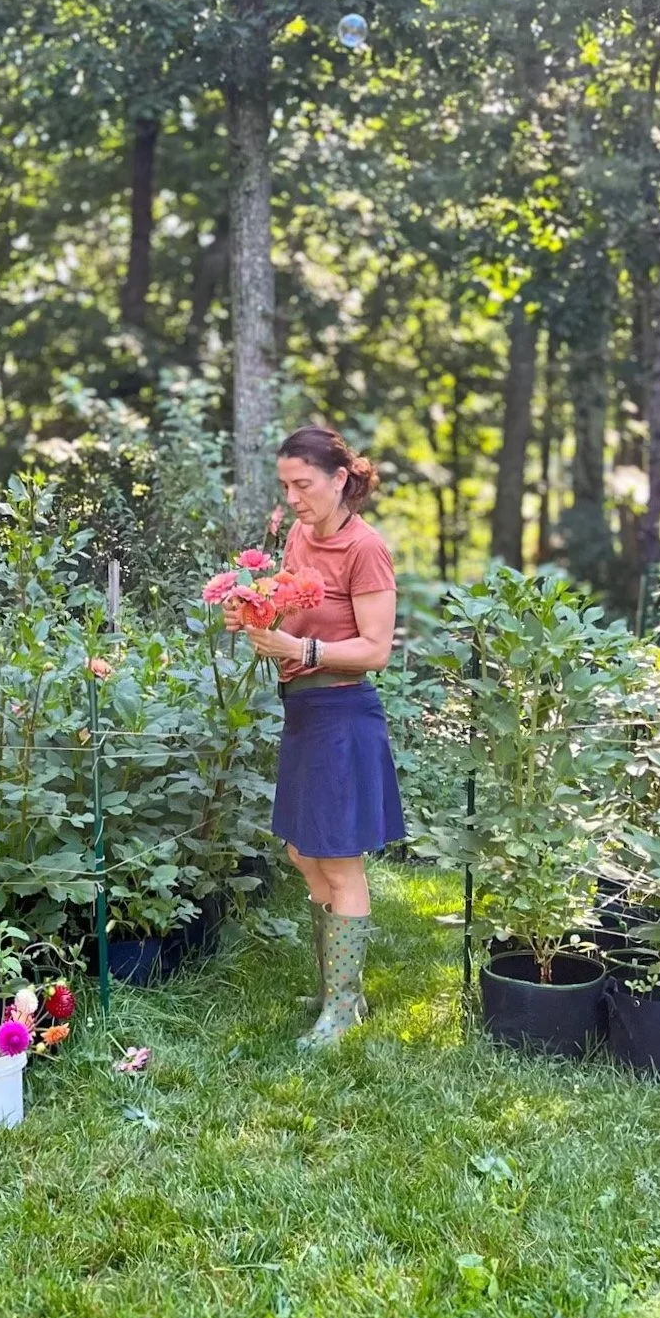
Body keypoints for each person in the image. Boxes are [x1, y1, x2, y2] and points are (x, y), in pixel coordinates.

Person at [237, 427, 406, 1046]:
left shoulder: (367, 549)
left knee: (337, 857)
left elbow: (377, 649)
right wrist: (254, 609)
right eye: (286, 485)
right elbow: (288, 604)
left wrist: (299, 647)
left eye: (302, 484)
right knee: (303, 853)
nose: (293, 496)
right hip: (305, 714)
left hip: (343, 715)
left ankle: (340, 1009)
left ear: (339, 479)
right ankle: (342, 989)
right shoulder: (300, 537)